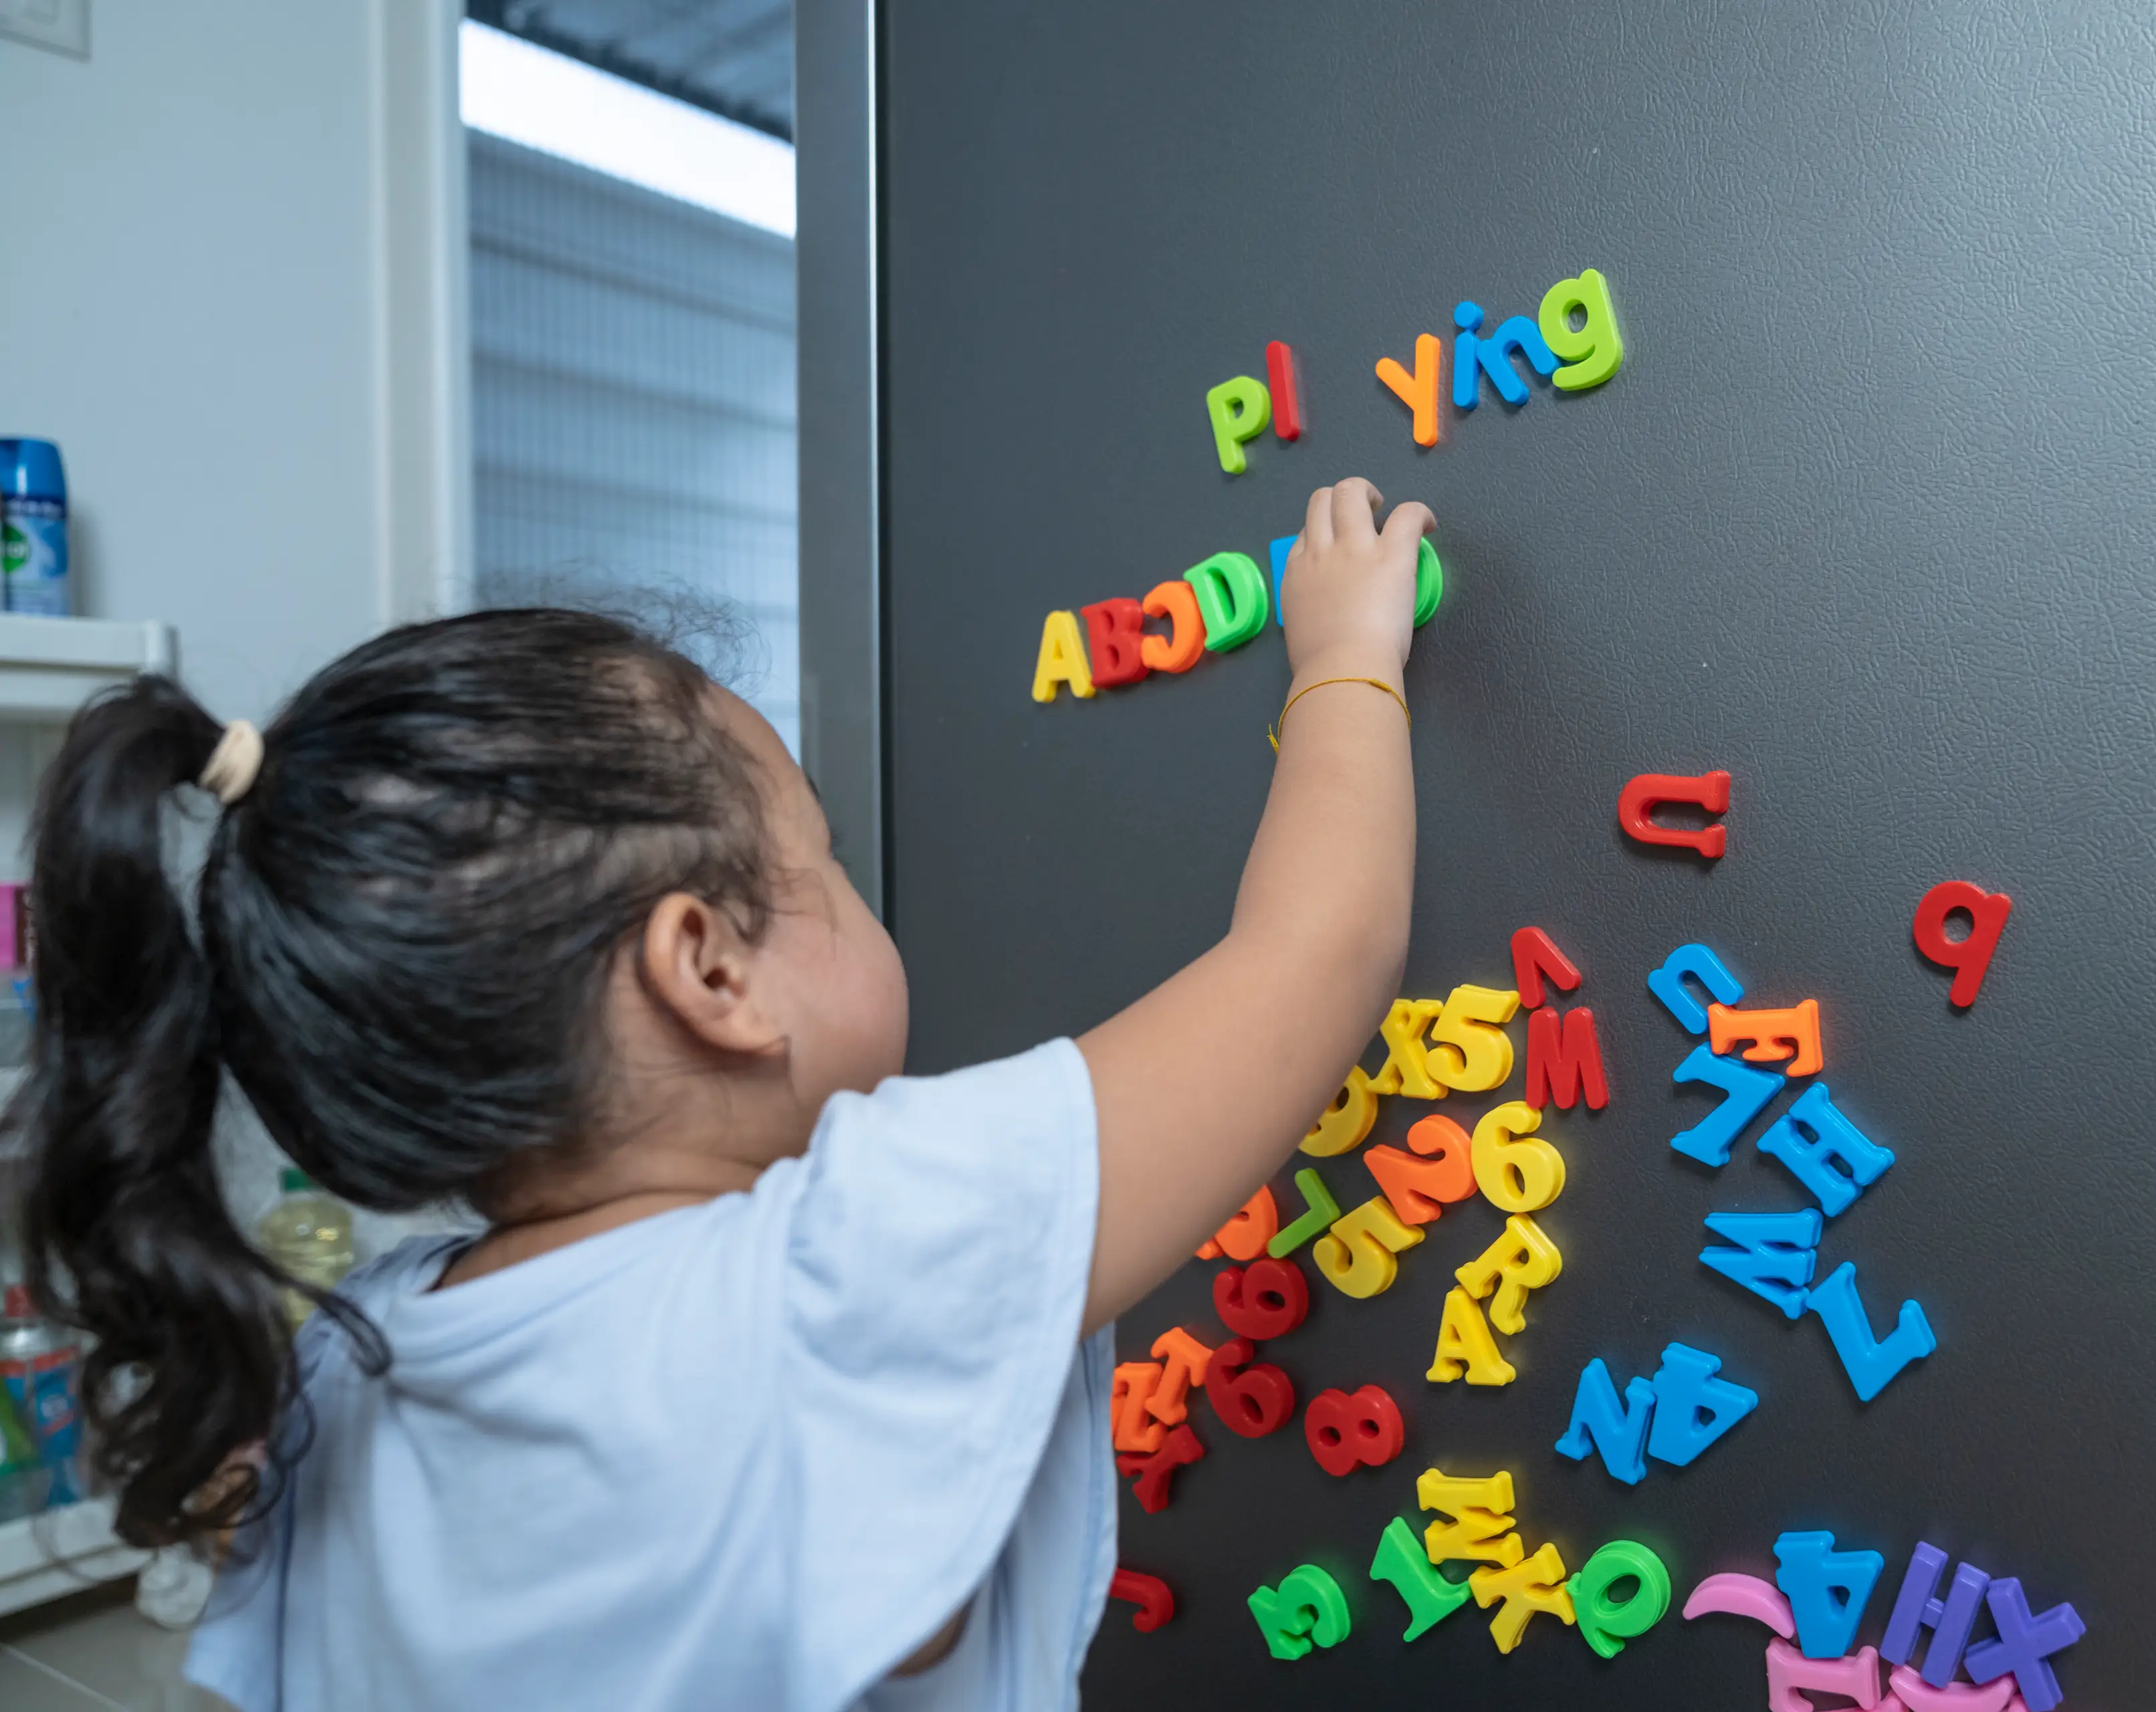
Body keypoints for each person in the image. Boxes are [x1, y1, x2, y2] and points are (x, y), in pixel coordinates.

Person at [7, 477, 1431, 1711]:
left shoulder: (346, 1363)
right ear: (709, 968)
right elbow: (1313, 953)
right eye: (825, 858)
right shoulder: (851, 1253)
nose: (857, 889)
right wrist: (1345, 656)